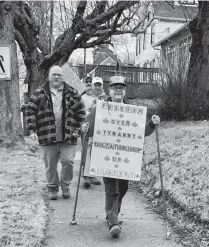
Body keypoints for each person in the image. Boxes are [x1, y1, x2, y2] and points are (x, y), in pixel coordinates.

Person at [81, 74, 161, 239]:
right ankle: (113, 222)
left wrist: (152, 123)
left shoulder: (132, 109)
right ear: (109, 90)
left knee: (123, 188)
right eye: (115, 87)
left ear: (125, 91)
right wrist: (85, 128)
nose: (118, 90)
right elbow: (89, 129)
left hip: (126, 158)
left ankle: (113, 212)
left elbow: (141, 131)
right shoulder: (100, 108)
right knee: (112, 189)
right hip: (106, 155)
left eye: (121, 88)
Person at [25, 66, 87, 200]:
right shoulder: (39, 92)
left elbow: (81, 111)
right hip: (47, 134)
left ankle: (65, 186)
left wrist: (81, 126)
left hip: (69, 134)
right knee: (50, 164)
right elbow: (30, 111)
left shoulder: (72, 92)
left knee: (69, 161)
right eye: (54, 74)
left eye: (59, 75)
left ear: (63, 77)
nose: (57, 77)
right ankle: (53, 188)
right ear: (49, 77)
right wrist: (32, 129)